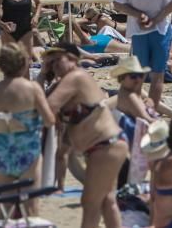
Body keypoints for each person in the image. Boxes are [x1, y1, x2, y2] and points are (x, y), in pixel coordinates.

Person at [43, 43, 128, 228]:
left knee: (91, 203)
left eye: (59, 59)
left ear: (73, 59)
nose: (54, 64)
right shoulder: (64, 81)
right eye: (51, 61)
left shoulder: (76, 77)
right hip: (106, 146)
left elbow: (47, 108)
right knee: (107, 202)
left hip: (105, 145)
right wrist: (44, 73)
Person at [0, 44, 55, 217]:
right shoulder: (32, 89)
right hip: (28, 151)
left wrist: (3, 122)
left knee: (5, 204)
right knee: (31, 205)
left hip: (4, 150)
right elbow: (50, 120)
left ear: (1, 66)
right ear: (24, 64)